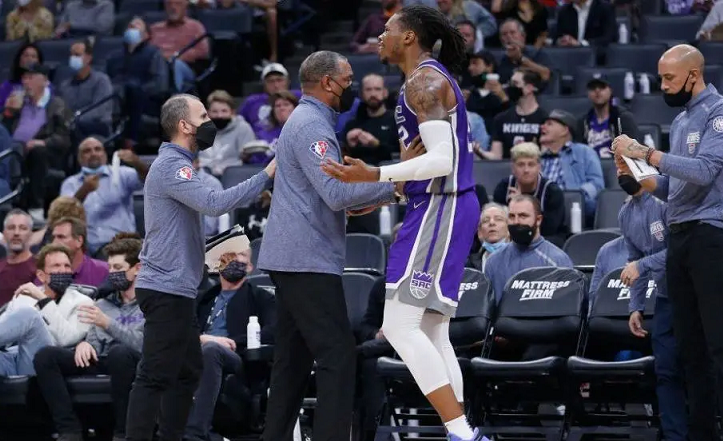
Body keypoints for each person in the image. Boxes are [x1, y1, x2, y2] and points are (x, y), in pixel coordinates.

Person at [321, 6, 484, 440]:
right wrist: (392, 191)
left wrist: (375, 174)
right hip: (441, 205)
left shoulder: (423, 82)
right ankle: (461, 432)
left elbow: (443, 160)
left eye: (388, 29)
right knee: (431, 330)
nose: (380, 36)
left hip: (441, 206)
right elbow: (430, 157)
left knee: (398, 327)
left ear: (409, 37)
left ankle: (463, 434)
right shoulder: (421, 80)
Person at [257, 51, 401, 441]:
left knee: (292, 362)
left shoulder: (305, 120)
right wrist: (395, 184)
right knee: (338, 356)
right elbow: (336, 194)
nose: (351, 87)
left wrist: (373, 195)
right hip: (306, 258)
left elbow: (325, 196)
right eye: (348, 79)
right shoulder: (312, 127)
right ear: (327, 82)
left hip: (293, 255)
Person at [125, 94, 276, 441]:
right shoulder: (172, 166)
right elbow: (214, 203)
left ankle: (173, 436)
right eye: (203, 116)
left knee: (188, 371)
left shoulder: (177, 165)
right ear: (184, 125)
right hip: (165, 287)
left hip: (175, 286)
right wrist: (267, 173)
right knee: (154, 375)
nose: (210, 122)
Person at [613, 44, 723, 441]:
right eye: (660, 78)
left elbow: (705, 171)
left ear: (694, 75)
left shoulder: (718, 113)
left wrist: (645, 152)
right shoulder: (680, 121)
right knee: (690, 350)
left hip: (710, 234)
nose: (663, 85)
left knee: (717, 344)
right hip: (679, 238)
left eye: (669, 78)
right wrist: (637, 174)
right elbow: (673, 188)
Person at [33, 236, 145, 441]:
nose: (112, 273)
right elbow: (93, 338)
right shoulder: (102, 304)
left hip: (132, 362)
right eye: (110, 267)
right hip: (101, 359)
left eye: (118, 267)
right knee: (46, 356)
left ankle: (123, 433)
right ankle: (69, 430)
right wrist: (85, 344)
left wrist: (108, 324)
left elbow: (144, 345)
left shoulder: (151, 305)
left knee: (119, 353)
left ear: (137, 269)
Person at [617, 172, 687, 441]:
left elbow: (681, 249)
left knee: (699, 368)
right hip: (665, 299)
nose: (620, 172)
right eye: (617, 166)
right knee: (665, 371)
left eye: (624, 164)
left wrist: (642, 265)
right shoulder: (625, 214)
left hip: (693, 296)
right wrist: (636, 306)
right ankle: (674, 436)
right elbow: (633, 259)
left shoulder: (666, 201)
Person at [185, 249, 276, 441]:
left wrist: (235, 341)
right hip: (198, 351)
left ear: (250, 267)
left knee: (211, 351)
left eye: (240, 255)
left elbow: (273, 331)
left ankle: (194, 434)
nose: (234, 260)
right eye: (229, 255)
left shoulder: (260, 297)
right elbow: (184, 331)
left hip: (236, 357)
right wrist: (203, 339)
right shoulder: (204, 298)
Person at [0, 244, 94, 376]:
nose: (63, 270)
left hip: (43, 361)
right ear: (41, 275)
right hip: (12, 357)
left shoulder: (83, 302)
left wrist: (43, 299)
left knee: (30, 315)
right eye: (56, 266)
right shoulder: (23, 297)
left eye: (67, 266)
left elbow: (67, 339)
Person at [0, 209, 36, 306]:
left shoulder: (39, 268)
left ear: (31, 234)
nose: (16, 233)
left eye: (23, 228)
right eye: (11, 228)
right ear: (4, 233)